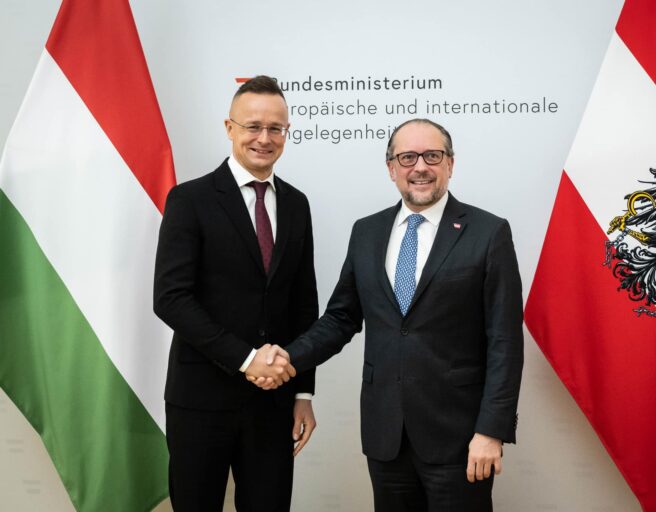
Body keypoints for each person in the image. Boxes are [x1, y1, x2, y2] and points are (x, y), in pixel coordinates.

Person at [255, 118, 524, 511]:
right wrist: (288, 358)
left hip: (460, 439)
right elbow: (341, 318)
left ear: (450, 164)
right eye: (408, 157)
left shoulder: (488, 232)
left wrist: (491, 431)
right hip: (386, 436)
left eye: (433, 156)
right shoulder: (367, 232)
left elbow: (505, 342)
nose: (420, 167)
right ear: (391, 168)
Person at [153, 75, 318, 512]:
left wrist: (302, 393)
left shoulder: (297, 204)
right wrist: (246, 359)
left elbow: (303, 303)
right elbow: (170, 298)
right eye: (253, 126)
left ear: (286, 132)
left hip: (274, 403)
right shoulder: (189, 200)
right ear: (230, 128)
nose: (264, 138)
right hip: (200, 400)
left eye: (275, 128)